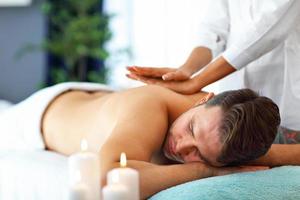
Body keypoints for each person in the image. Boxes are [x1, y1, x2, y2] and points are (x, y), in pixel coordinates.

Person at [0, 82, 282, 199]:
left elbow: (278, 155)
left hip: (107, 104)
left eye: (200, 154)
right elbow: (108, 176)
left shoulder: (219, 134)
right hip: (39, 115)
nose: (181, 147)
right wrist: (204, 170)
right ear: (203, 100)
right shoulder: (150, 109)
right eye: (191, 129)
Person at [126, 0, 300, 135]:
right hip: (234, 91)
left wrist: (197, 81)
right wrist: (186, 69)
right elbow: (213, 28)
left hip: (287, 95)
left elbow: (266, 30)